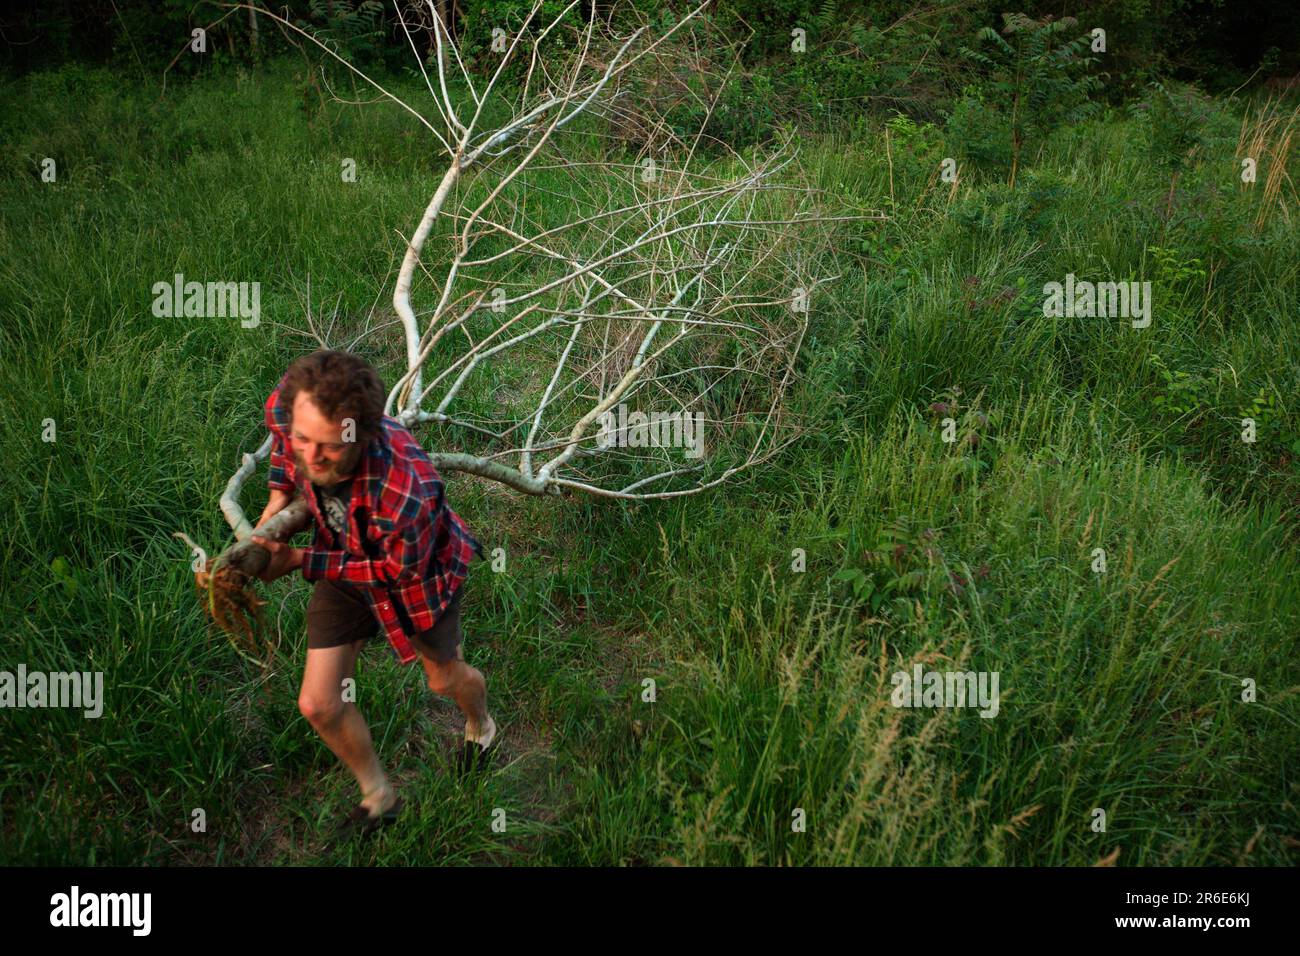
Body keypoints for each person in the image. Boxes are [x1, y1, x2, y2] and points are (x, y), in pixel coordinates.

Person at [251, 349, 495, 839]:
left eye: (328, 448)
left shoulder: (408, 491)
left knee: (443, 680)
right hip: (341, 559)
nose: (312, 457)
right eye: (305, 440)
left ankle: (483, 727)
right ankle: (379, 797)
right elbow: (284, 438)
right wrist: (277, 505)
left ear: (362, 434)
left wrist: (300, 560)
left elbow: (391, 571)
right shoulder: (290, 404)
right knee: (319, 704)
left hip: (414, 580)